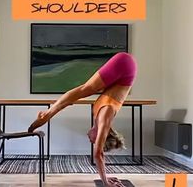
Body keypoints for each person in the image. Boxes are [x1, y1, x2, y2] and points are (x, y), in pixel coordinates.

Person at [28, 52, 137, 187]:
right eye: (95, 141)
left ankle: (49, 113)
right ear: (102, 136)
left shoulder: (99, 117)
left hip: (124, 71)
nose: (91, 141)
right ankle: (48, 114)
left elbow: (73, 98)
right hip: (125, 66)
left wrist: (61, 104)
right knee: (86, 88)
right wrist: (106, 181)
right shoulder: (105, 117)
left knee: (85, 90)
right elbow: (98, 154)